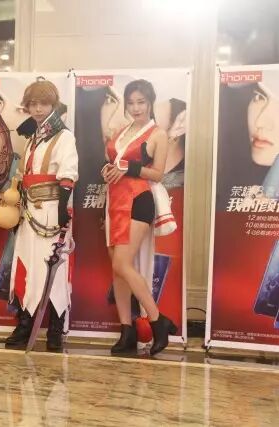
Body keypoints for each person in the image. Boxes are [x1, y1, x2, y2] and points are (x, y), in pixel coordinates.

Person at [102, 79, 177, 356]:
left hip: (138, 200)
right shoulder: (121, 132)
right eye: (131, 102)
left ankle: (158, 320)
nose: (136, 108)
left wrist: (128, 168)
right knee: (117, 269)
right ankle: (127, 331)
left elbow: (158, 174)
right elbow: (113, 163)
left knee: (122, 263)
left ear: (150, 103)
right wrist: (108, 169)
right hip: (114, 200)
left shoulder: (158, 134)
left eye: (141, 102)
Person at [4, 79, 78, 352]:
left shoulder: (64, 136)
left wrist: (62, 209)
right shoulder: (34, 137)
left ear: (53, 105)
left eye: (43, 104)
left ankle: (56, 328)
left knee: (53, 268)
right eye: (33, 104)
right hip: (29, 210)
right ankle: (26, 322)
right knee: (27, 266)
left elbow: (68, 172)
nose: (37, 109)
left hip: (51, 209)